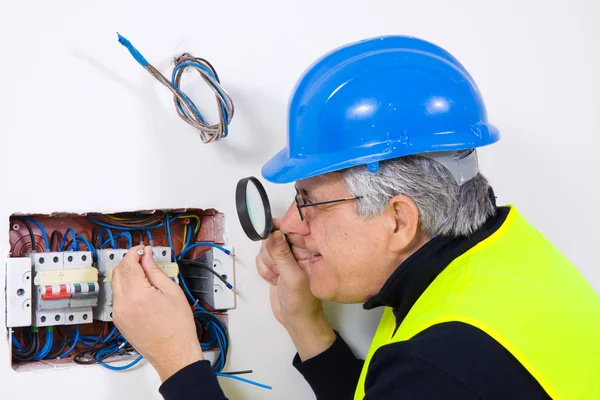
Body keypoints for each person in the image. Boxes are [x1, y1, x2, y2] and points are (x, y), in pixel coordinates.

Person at [111, 35, 600, 400]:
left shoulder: (442, 363)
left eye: (309, 201)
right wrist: (307, 327)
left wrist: (178, 362)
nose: (289, 225)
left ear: (398, 221)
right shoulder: (506, 255)